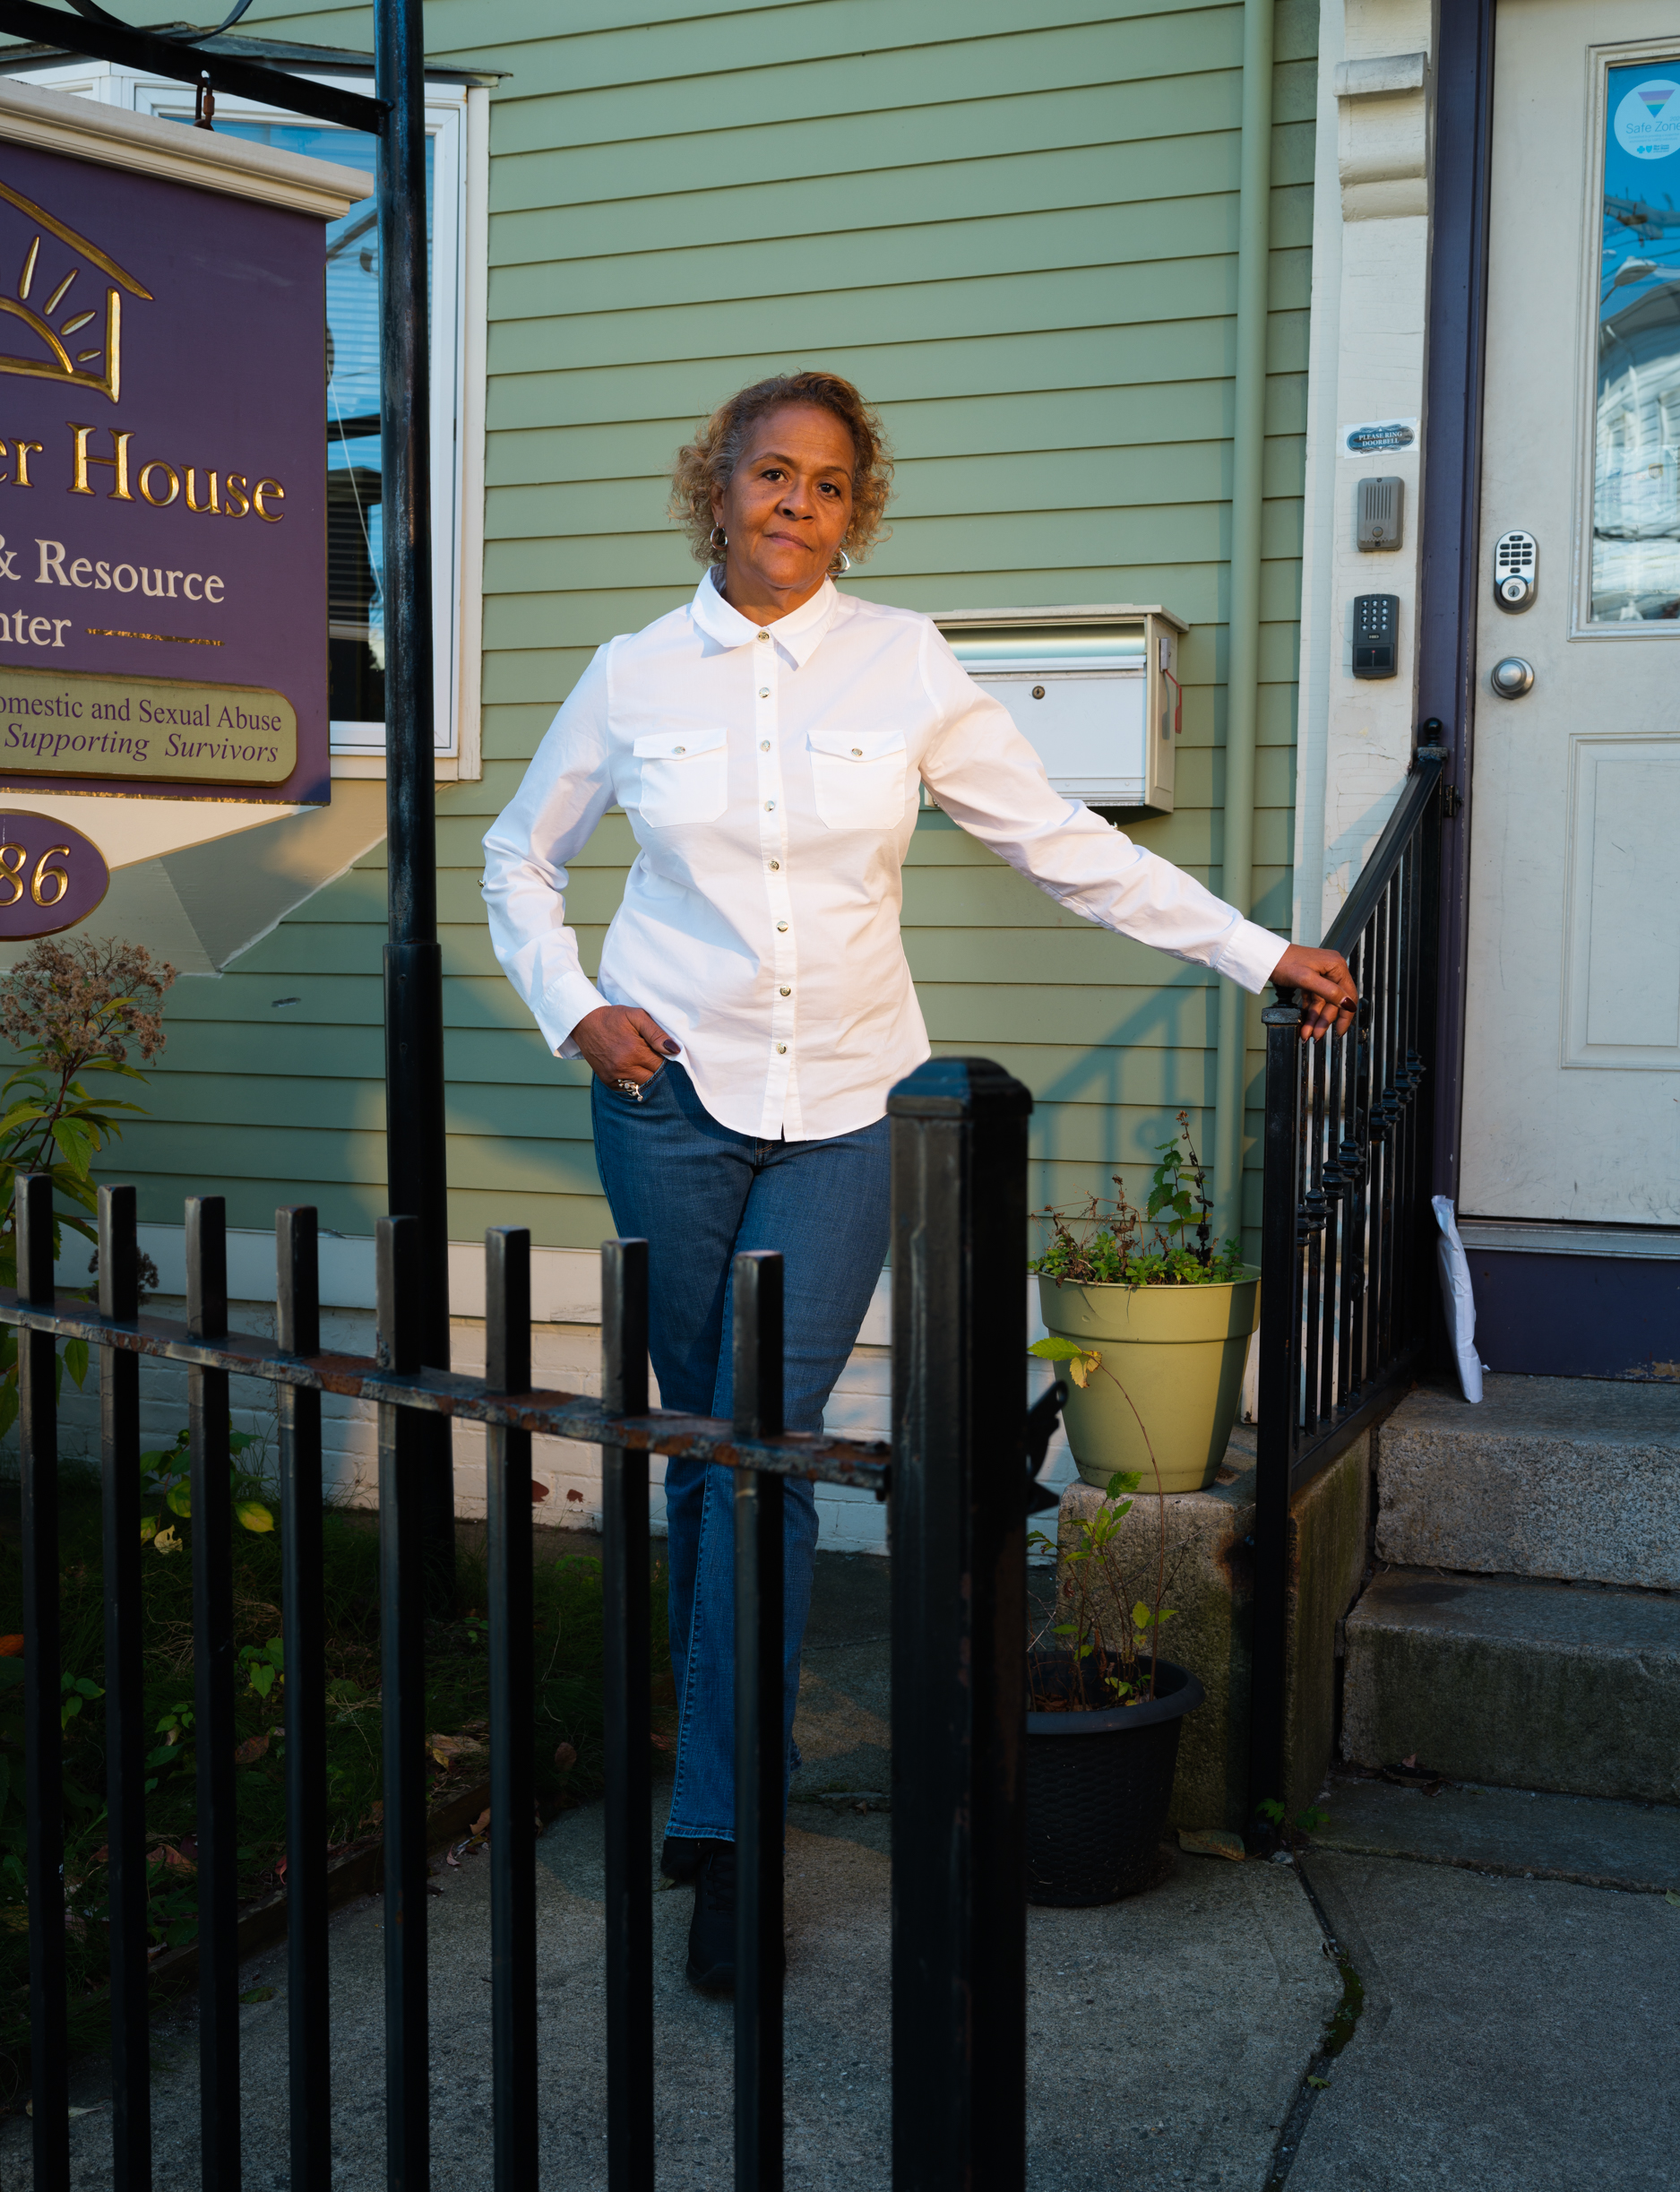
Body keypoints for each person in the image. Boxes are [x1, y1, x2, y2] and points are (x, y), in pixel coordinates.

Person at [481, 370, 1356, 1996]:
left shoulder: (905, 663)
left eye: (826, 484)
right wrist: (571, 1002)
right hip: (664, 1098)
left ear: (852, 510)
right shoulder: (632, 672)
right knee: (700, 1450)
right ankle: (705, 1784)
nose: (794, 505)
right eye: (766, 475)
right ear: (716, 488)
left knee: (760, 1454)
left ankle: (728, 1835)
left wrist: (1254, 950)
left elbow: (1061, 841)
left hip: (847, 1110)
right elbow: (517, 856)